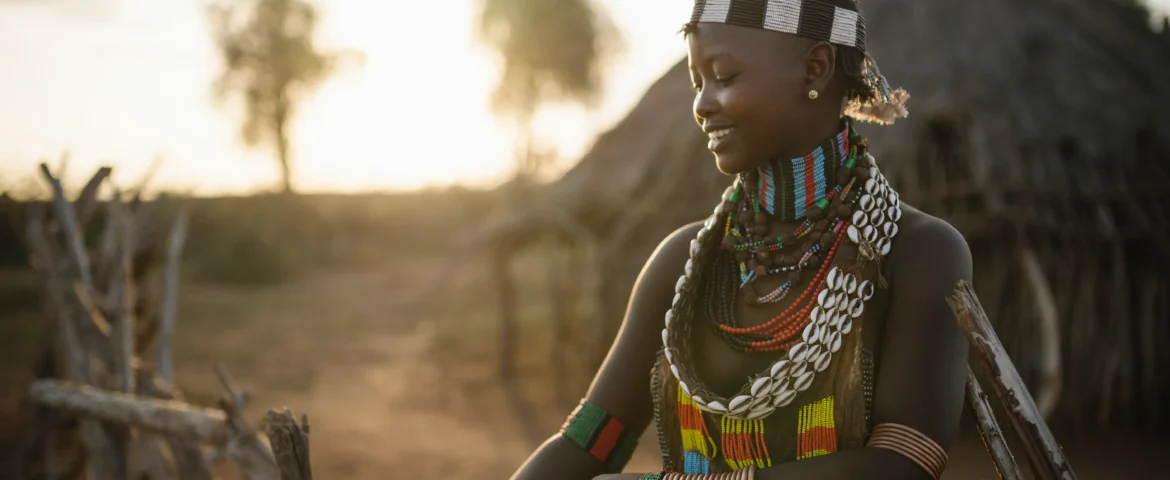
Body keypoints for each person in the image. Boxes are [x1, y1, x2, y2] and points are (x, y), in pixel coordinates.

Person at [511, 1, 972, 479]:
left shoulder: (917, 255)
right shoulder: (683, 265)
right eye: (697, 83)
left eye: (725, 77)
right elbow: (588, 440)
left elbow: (906, 465)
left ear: (815, 69)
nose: (701, 104)